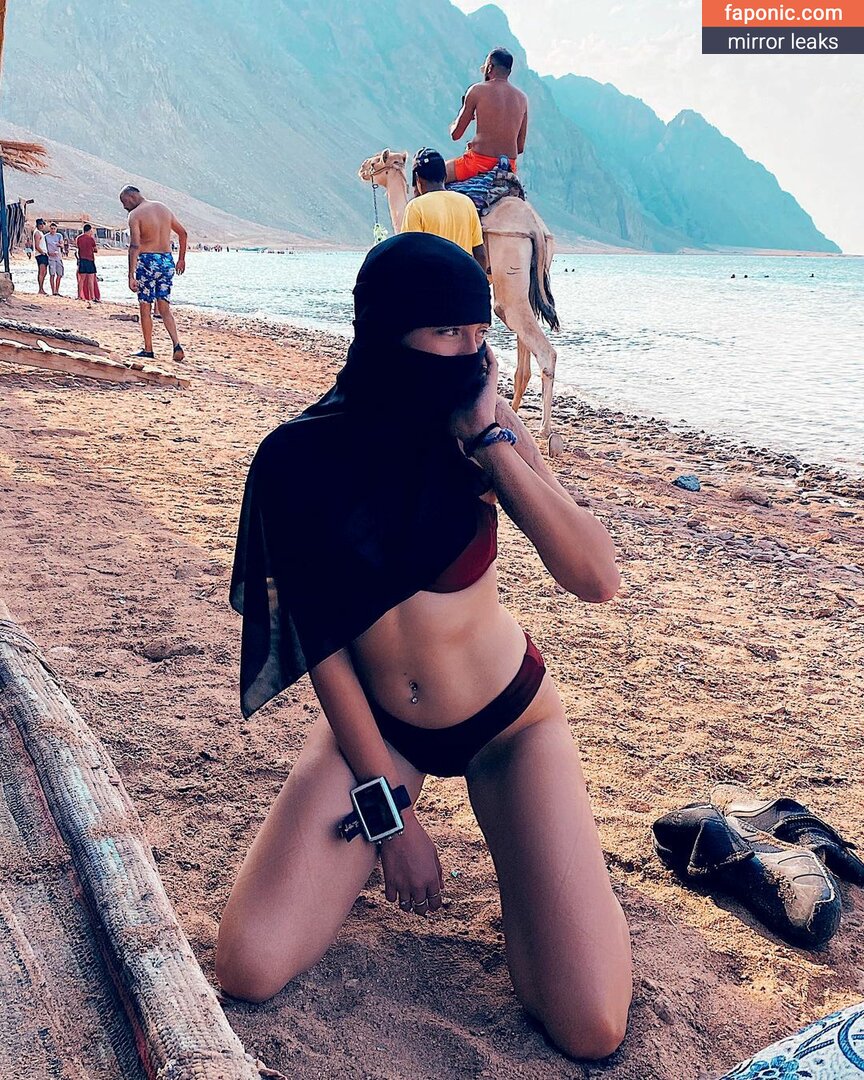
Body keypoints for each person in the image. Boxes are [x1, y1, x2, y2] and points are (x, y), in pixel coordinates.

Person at [217, 234, 632, 1060]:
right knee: (247, 966)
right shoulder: (298, 461)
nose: (470, 354)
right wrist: (391, 819)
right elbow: (323, 648)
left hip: (509, 724)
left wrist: (490, 444)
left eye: (480, 334)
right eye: (446, 332)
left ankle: (565, 883)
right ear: (386, 329)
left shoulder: (484, 431)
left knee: (589, 1026)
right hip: (380, 731)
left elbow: (595, 576)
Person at [119, 185, 187, 361]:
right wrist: (181, 259)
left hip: (147, 262)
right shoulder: (163, 208)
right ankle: (176, 344)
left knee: (145, 306)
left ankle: (148, 349)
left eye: (124, 202)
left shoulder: (135, 215)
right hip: (166, 261)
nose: (124, 207)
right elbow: (183, 234)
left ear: (131, 197)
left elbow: (135, 246)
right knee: (164, 307)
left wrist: (130, 275)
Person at [446, 48, 528, 183]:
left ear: (489, 67)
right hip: (508, 167)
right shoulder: (522, 98)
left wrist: (460, 119)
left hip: (477, 164)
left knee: (430, 174)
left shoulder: (476, 90)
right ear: (509, 72)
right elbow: (519, 147)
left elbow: (456, 134)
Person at [400, 148, 487, 270]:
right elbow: (480, 254)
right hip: (463, 279)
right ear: (445, 176)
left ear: (418, 179)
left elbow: (410, 254)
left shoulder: (416, 207)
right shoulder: (466, 202)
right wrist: (478, 280)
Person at [75, 224, 99, 303]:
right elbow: (95, 250)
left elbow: (78, 247)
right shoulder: (91, 239)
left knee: (81, 279)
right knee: (90, 279)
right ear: (89, 230)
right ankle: (92, 296)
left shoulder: (79, 238)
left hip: (82, 260)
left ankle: (79, 296)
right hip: (90, 259)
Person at [44, 222, 65, 295]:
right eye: (51, 229)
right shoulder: (46, 237)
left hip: (58, 257)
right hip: (50, 257)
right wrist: (48, 253)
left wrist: (59, 245)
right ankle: (53, 291)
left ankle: (57, 290)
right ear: (49, 229)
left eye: (54, 229)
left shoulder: (59, 236)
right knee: (52, 274)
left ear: (56, 229)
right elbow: (44, 246)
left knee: (60, 274)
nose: (53, 230)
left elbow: (62, 245)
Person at [33, 218, 49, 294]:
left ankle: (42, 288)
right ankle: (40, 289)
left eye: (43, 224)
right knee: (41, 272)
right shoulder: (37, 233)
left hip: (43, 254)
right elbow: (37, 245)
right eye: (40, 224)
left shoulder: (40, 233)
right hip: (40, 255)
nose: (42, 225)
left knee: (44, 272)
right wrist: (42, 252)